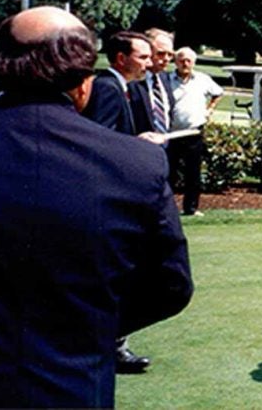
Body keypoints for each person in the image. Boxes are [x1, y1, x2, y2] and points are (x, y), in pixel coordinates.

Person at [0, 6, 193, 408]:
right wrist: (86, 323)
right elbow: (170, 286)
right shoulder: (136, 163)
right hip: (74, 385)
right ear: (85, 82)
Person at [80, 30, 163, 372]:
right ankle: (108, 347)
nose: (149, 62)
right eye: (142, 57)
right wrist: (136, 144)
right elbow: (96, 140)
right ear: (120, 59)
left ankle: (112, 343)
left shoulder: (125, 87)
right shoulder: (108, 88)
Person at [170, 47, 225, 216]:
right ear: (176, 62)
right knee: (168, 173)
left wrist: (210, 109)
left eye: (188, 60)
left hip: (193, 132)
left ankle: (191, 208)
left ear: (194, 62)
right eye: (181, 60)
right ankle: (166, 208)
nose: (185, 63)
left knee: (192, 173)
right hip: (170, 133)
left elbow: (218, 93)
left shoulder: (203, 79)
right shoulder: (166, 79)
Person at [131, 29, 177, 138]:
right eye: (160, 53)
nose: (166, 59)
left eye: (170, 55)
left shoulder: (164, 77)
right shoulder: (132, 80)